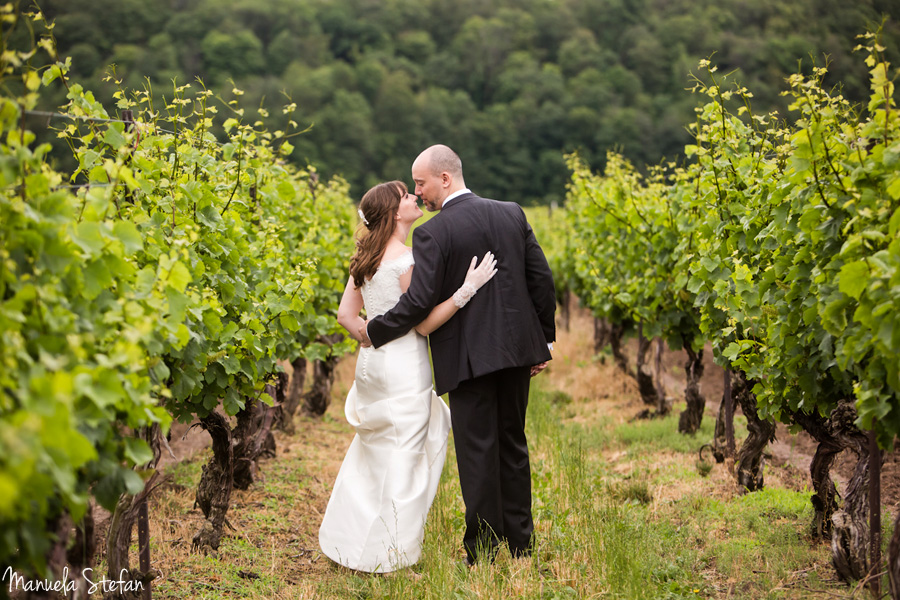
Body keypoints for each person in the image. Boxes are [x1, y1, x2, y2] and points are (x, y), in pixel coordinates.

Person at [360, 145, 556, 565]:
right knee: (512, 443)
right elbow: (540, 278)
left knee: (477, 452)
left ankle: (483, 552)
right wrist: (546, 340)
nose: (418, 191)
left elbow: (417, 303)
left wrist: (374, 330)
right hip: (518, 351)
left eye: (421, 182)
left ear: (444, 179)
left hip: (468, 358)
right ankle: (521, 546)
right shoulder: (512, 212)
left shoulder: (434, 232)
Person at [318, 180, 497, 574]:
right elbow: (422, 326)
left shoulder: (363, 259)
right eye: (405, 196)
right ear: (396, 213)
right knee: (405, 460)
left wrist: (368, 334)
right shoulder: (406, 260)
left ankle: (348, 544)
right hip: (402, 369)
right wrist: (466, 290)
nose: (414, 197)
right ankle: (389, 557)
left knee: (372, 454)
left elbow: (346, 317)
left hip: (370, 366)